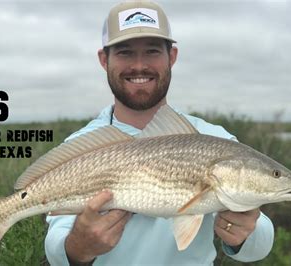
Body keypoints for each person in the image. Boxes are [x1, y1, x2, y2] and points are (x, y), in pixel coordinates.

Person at [45, 1, 274, 265]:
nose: (139, 65)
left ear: (172, 57)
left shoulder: (214, 140)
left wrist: (244, 233)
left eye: (152, 51)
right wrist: (77, 248)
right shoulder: (80, 147)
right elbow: (56, 241)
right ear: (104, 60)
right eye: (125, 52)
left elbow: (260, 243)